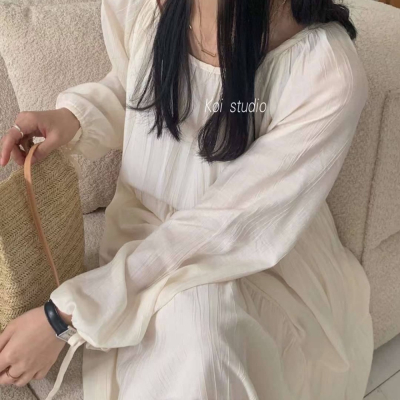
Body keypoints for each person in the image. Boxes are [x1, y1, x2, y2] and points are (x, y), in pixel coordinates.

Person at [0, 0, 374, 399]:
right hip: (142, 233)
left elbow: (229, 225)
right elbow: (138, 86)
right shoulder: (145, 6)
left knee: (201, 338)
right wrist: (75, 118)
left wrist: (66, 315)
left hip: (252, 254)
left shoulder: (325, 73)